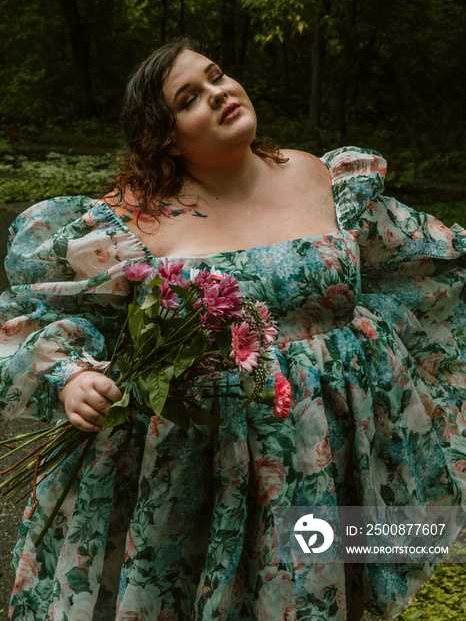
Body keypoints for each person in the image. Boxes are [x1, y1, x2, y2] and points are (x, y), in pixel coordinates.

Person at [1, 36, 465, 621]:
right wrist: (71, 377)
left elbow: (419, 258)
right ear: (165, 136)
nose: (219, 93)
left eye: (217, 75)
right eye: (190, 97)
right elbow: (58, 316)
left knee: (333, 582)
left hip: (341, 437)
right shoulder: (129, 219)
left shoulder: (319, 175)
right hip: (201, 461)